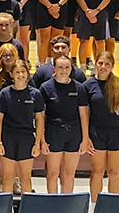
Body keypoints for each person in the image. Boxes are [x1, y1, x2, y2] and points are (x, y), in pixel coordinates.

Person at [84, 52, 119, 206]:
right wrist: (86, 137)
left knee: (114, 172)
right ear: (96, 64)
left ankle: (114, 206)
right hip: (96, 133)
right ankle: (95, 205)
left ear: (112, 65)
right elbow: (84, 114)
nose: (103, 67)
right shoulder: (88, 85)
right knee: (97, 171)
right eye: (100, 63)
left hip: (116, 133)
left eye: (107, 64)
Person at [39, 56, 90, 194]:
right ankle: (53, 205)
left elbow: (83, 114)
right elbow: (40, 116)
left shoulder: (79, 88)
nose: (63, 70)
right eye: (60, 67)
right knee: (53, 173)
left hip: (74, 132)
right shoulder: (45, 88)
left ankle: (66, 205)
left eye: (67, 67)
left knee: (68, 174)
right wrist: (42, 139)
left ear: (71, 69)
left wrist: (85, 139)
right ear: (54, 68)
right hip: (53, 132)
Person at [0, 60, 45, 194]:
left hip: (27, 138)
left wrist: (37, 143)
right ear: (11, 74)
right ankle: (6, 208)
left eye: (23, 72)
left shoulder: (35, 94)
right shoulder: (5, 93)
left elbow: (39, 119)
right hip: (8, 137)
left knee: (26, 178)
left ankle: (26, 208)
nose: (20, 75)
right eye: (17, 72)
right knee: (8, 177)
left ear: (28, 73)